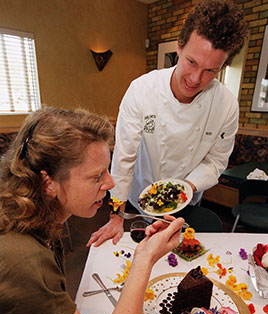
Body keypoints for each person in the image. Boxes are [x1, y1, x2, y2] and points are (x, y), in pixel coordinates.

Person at [0, 106, 184, 314]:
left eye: (108, 170)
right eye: (97, 176)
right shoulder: (23, 259)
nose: (110, 184)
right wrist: (144, 260)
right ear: (49, 183)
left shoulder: (38, 218)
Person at [88, 0, 248, 248]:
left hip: (188, 200)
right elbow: (124, 157)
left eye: (210, 71)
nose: (196, 79)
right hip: (140, 197)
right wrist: (116, 214)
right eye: (191, 62)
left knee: (182, 257)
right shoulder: (142, 90)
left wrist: (185, 187)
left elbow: (216, 161)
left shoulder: (226, 105)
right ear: (180, 47)